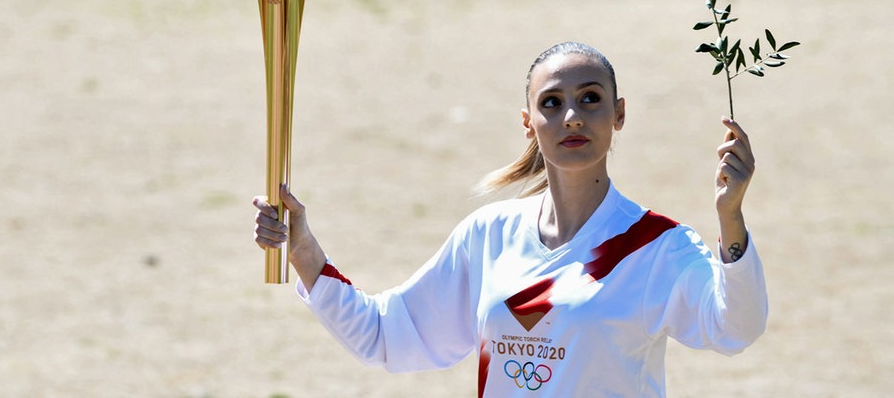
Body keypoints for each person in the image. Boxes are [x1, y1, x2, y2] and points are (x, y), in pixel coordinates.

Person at [252, 41, 767, 397]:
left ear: (619, 114)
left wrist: (731, 220)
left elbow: (734, 327)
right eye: (552, 103)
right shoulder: (490, 235)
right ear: (528, 123)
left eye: (590, 99)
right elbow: (387, 335)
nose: (572, 116)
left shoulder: (657, 247)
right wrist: (303, 250)